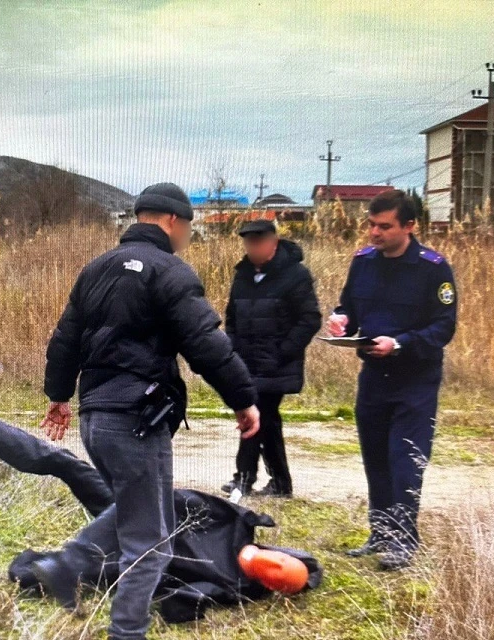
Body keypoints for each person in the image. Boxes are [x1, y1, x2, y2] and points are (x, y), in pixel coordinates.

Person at [40, 182, 261, 640]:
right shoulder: (169, 271)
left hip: (94, 416)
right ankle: (126, 632)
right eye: (189, 229)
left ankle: (67, 563)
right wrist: (242, 398)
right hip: (135, 420)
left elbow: (64, 339)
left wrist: (58, 397)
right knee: (151, 545)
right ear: (173, 222)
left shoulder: (95, 269)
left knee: (139, 510)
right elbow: (206, 343)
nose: (187, 238)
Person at [0, 386, 322, 625]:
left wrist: (184, 603)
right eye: (284, 563)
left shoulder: (232, 586)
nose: (275, 568)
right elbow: (177, 498)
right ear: (281, 551)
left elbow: (179, 604)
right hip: (135, 506)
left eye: (278, 578)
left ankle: (46, 569)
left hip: (129, 553)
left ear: (270, 586)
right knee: (67, 464)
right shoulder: (236, 523)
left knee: (43, 574)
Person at [327, 189, 457, 571]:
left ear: (409, 226)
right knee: (377, 457)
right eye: (371, 224)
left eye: (384, 226)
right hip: (374, 377)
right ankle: (381, 532)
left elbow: (444, 327)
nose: (374, 233)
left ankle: (404, 539)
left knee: (405, 461)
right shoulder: (363, 262)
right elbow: (347, 306)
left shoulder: (433, 268)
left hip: (415, 379)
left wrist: (400, 344)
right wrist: (340, 320)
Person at [222, 219, 321, 498]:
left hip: (277, 364)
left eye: (258, 241)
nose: (252, 247)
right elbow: (232, 316)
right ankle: (279, 482)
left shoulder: (295, 275)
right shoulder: (242, 275)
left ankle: (244, 478)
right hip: (246, 361)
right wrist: (233, 347)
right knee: (265, 419)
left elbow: (310, 319)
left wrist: (283, 351)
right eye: (248, 242)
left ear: (273, 243)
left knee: (257, 414)